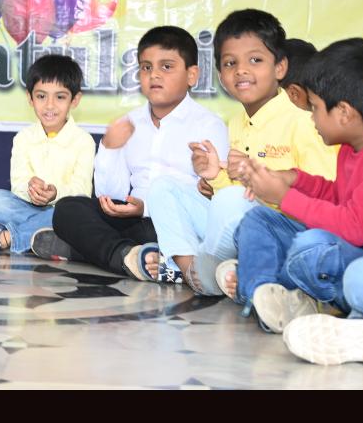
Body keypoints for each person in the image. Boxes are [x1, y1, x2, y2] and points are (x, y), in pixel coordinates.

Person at [146, 9, 337, 293]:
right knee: (164, 188)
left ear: (280, 68)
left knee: (232, 201)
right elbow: (234, 196)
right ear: (221, 76)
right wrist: (215, 175)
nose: (241, 70)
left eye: (255, 60)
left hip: (283, 232)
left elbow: (325, 199)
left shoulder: (303, 122)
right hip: (237, 225)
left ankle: (212, 270)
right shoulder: (236, 122)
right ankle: (193, 272)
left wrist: (264, 182)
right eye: (230, 63)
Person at [43, 26, 228, 280]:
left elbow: (209, 204)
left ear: (191, 75)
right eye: (146, 67)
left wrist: (145, 209)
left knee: (160, 234)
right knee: (67, 209)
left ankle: (92, 251)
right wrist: (109, 148)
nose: (154, 75)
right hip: (133, 219)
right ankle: (131, 257)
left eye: (166, 67)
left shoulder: (209, 126)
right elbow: (110, 195)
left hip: (176, 226)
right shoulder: (130, 123)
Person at [224, 39, 363, 336]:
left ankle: (322, 307)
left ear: (344, 113)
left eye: (315, 108)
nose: (311, 116)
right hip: (349, 252)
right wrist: (294, 180)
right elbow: (338, 197)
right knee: (259, 220)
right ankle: (262, 295)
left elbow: (356, 227)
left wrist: (285, 197)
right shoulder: (349, 148)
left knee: (323, 253)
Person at [0, 54, 95, 254]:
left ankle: (4, 238)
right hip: (29, 207)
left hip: (64, 210)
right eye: (41, 96)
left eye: (60, 97)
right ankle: (45, 232)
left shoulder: (83, 141)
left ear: (75, 100)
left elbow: (82, 191)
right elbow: (18, 184)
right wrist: (31, 189)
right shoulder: (23, 138)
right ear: (30, 98)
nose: (50, 105)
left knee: (77, 212)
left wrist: (55, 193)